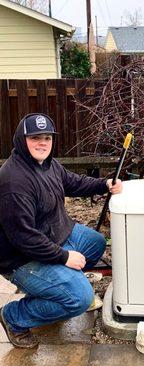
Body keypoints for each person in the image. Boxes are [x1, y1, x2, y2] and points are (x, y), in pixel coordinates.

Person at [0, 113, 122, 349]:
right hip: (23, 259)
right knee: (80, 298)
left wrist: (104, 184)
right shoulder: (14, 182)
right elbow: (24, 238)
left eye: (47, 137)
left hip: (55, 236)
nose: (42, 143)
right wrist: (64, 257)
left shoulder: (48, 164)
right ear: (20, 140)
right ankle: (14, 316)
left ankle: (52, 292)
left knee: (95, 243)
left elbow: (73, 183)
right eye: (35, 137)